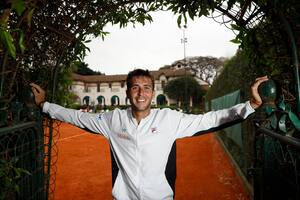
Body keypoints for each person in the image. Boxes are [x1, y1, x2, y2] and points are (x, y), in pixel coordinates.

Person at [30, 69, 268, 200]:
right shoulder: (113, 120)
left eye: (146, 88)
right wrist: (45, 106)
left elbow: (210, 119)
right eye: (135, 87)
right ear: (127, 92)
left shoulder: (169, 119)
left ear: (153, 93)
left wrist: (251, 106)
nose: (140, 93)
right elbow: (77, 117)